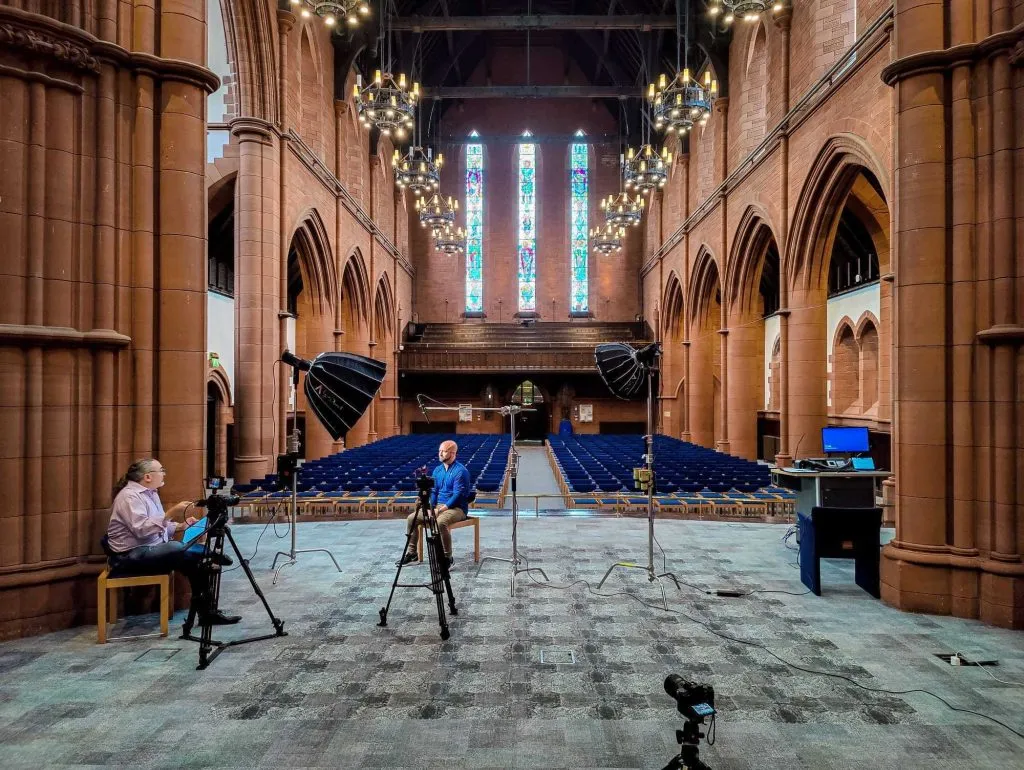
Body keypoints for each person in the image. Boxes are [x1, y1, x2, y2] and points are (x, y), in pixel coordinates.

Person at [105, 458, 240, 625]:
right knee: (177, 547)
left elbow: (158, 526)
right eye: (161, 470)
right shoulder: (129, 497)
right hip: (128, 556)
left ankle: (207, 613)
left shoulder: (150, 494)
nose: (164, 474)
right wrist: (171, 513)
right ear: (148, 477)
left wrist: (180, 526)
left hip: (150, 549)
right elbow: (141, 529)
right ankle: (210, 554)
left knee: (195, 561)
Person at [397, 440, 471, 568]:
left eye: (444, 451)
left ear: (453, 453)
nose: (440, 454)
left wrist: (440, 510)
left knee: (440, 522)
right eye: (439, 451)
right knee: (411, 518)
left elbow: (457, 495)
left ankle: (447, 558)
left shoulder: (461, 471)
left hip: (456, 508)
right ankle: (412, 554)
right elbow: (434, 491)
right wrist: (430, 508)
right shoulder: (437, 470)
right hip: (437, 507)